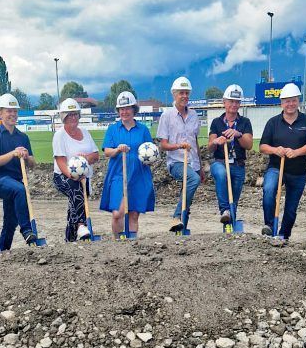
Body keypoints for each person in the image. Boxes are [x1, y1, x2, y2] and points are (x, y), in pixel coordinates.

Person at [258, 82, 306, 246]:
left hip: (298, 171)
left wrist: (297, 152)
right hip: (276, 167)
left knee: (291, 208)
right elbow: (262, 146)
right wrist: (275, 150)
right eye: (286, 101)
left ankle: (284, 235)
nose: (290, 104)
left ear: (298, 100)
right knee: (269, 189)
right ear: (281, 103)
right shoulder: (273, 122)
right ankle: (270, 227)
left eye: (293, 100)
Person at [0, 93, 38, 249]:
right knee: (20, 190)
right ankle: (27, 230)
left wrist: (27, 156)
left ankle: (3, 250)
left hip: (15, 182)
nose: (13, 114)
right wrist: (13, 153)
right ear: (0, 113)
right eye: (9, 111)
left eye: (15, 111)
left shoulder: (23, 137)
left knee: (10, 221)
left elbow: (33, 164)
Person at [99, 91, 156, 237]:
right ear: (118, 111)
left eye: (128, 108)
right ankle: (118, 241)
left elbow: (150, 151)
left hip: (139, 174)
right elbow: (106, 151)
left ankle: (131, 244)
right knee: (117, 212)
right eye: (121, 109)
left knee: (134, 213)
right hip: (118, 174)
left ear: (133, 110)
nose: (124, 112)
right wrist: (118, 149)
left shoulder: (143, 129)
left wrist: (150, 157)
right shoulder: (113, 129)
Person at [157, 76, 204, 233]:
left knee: (188, 194)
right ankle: (176, 216)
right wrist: (178, 146)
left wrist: (201, 166)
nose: (184, 96)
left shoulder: (194, 115)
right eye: (181, 93)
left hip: (193, 162)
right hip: (176, 162)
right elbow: (162, 145)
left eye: (187, 93)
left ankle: (181, 228)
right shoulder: (167, 116)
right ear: (174, 94)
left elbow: (195, 142)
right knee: (193, 179)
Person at [52, 98, 100, 241]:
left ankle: (70, 240)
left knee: (74, 206)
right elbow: (60, 161)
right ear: (64, 117)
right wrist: (73, 176)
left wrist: (85, 158)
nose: (73, 117)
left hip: (84, 177)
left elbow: (96, 155)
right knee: (76, 190)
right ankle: (81, 225)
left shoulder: (85, 132)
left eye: (75, 114)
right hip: (63, 176)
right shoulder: (59, 135)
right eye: (69, 115)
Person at [207, 84, 253, 225]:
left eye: (237, 102)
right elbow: (210, 148)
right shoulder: (216, 122)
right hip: (220, 161)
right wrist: (216, 141)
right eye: (231, 101)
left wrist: (238, 134)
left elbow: (249, 145)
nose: (234, 105)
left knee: (234, 198)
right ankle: (224, 211)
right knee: (221, 174)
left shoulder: (245, 122)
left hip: (238, 164)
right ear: (224, 102)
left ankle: (230, 222)